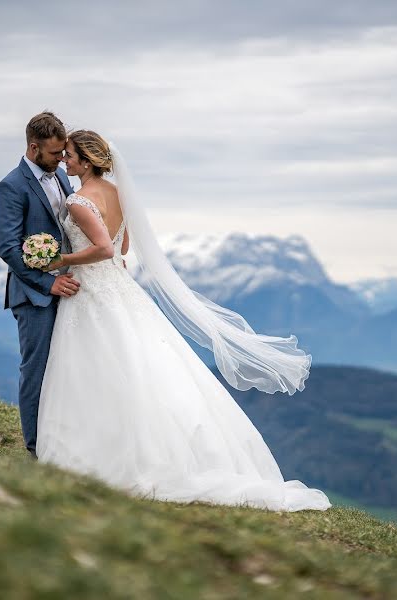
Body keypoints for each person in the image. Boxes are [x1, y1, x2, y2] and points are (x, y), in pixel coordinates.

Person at [33, 128, 330, 512]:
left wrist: (60, 261)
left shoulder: (78, 202)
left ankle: (100, 455)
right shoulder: (117, 195)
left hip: (92, 293)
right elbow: (123, 244)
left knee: (96, 370)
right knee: (142, 370)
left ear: (86, 161)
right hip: (121, 291)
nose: (65, 160)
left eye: (70, 155)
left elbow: (105, 249)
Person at [0, 112, 80, 459]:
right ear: (33, 147)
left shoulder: (59, 176)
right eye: (55, 152)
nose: (61, 159)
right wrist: (48, 283)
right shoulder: (11, 187)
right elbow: (9, 248)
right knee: (37, 371)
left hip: (68, 287)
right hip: (34, 296)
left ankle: (63, 440)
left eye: (63, 153)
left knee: (66, 368)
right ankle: (35, 449)